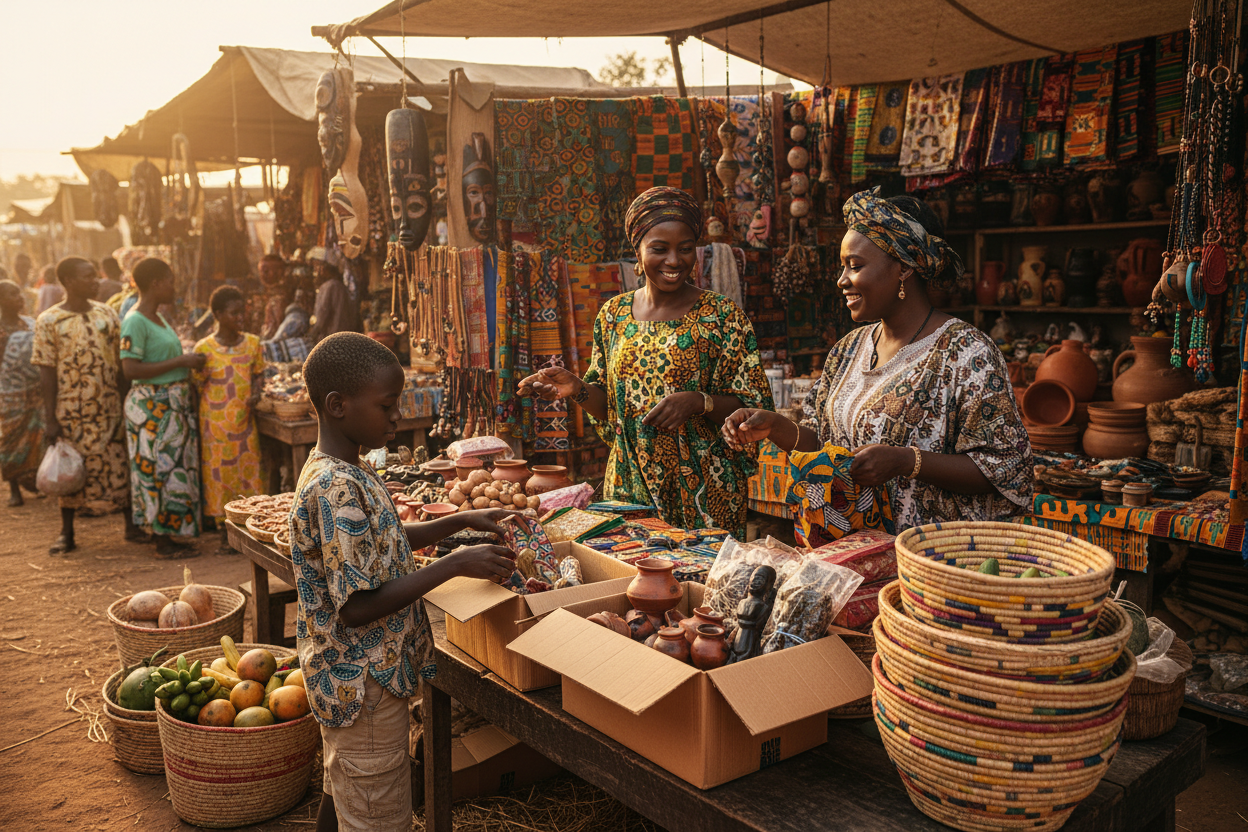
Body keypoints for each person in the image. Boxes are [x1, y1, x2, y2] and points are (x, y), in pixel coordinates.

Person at [292, 332, 517, 832]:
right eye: (388, 405)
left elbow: (382, 540)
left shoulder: (348, 466)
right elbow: (358, 606)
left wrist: (457, 524)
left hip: (348, 680)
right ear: (338, 405)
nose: (398, 415)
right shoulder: (335, 487)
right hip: (362, 685)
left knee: (346, 788)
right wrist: (453, 565)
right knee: (376, 811)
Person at [723, 187, 1032, 531]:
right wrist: (775, 426)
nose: (842, 280)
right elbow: (826, 446)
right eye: (842, 267)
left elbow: (1007, 469)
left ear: (903, 267)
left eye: (854, 266)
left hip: (926, 559)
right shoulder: (847, 350)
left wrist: (907, 461)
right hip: (851, 555)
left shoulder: (967, 354)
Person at [518, 187, 774, 538]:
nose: (674, 260)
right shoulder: (614, 315)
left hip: (705, 493)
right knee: (634, 581)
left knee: (702, 587)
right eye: (659, 249)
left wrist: (700, 402)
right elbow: (611, 408)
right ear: (637, 251)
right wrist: (576, 388)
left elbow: (754, 407)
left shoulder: (721, 316)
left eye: (685, 249)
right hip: (630, 486)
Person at [32, 257, 137, 554]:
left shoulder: (107, 314)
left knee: (118, 464)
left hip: (108, 407)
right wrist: (51, 417)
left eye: (95, 275)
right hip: (72, 412)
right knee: (70, 471)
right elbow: (46, 371)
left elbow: (119, 363)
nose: (96, 281)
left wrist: (123, 401)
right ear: (67, 281)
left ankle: (130, 525)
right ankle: (67, 532)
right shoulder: (49, 320)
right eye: (87, 276)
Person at [120, 258, 206, 556]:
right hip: (152, 407)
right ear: (156, 283)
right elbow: (130, 369)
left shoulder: (157, 317)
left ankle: (170, 532)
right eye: (170, 280)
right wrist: (182, 361)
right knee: (158, 469)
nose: (174, 286)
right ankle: (162, 540)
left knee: (173, 470)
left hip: (171, 405)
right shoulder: (135, 320)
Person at [193, 285, 265, 531]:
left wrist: (256, 394)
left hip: (244, 422)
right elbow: (198, 385)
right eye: (234, 313)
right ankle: (223, 528)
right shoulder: (204, 348)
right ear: (218, 314)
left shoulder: (253, 344)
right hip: (214, 426)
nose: (241, 318)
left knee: (248, 470)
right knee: (218, 475)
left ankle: (251, 521)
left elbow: (258, 376)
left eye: (242, 312)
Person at [0, 280, 44, 505]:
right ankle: (14, 488)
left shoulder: (29, 324)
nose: (19, 297)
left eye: (19, 293)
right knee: (9, 440)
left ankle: (34, 478)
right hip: (8, 393)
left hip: (35, 390)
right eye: (12, 294)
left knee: (36, 437)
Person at [307, 254, 360, 343]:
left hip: (329, 338)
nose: (316, 270)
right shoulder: (340, 286)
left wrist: (313, 333)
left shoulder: (328, 286)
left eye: (318, 266)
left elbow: (322, 314)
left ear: (326, 268)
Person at [257, 254, 288, 340]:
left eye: (266, 271)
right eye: (261, 271)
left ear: (279, 272)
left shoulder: (280, 298)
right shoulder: (268, 294)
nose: (262, 275)